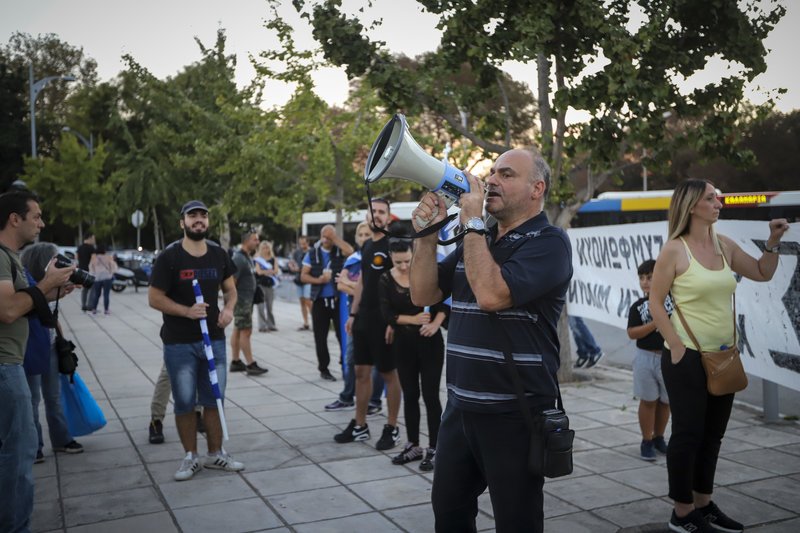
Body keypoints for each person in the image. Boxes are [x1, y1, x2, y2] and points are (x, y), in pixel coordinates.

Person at [409, 148, 572, 532]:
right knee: (448, 514)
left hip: (515, 414)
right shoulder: (480, 240)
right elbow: (423, 295)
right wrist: (426, 235)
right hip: (461, 408)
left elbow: (491, 295)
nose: (492, 180)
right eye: (492, 172)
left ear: (537, 188)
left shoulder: (549, 243)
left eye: (506, 174)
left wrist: (471, 223)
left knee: (517, 521)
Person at [649, 179, 789, 533]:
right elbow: (655, 301)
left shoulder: (724, 245)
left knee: (712, 436)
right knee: (688, 435)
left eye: (718, 197)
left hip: (722, 356)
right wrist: (677, 347)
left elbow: (760, 272)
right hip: (687, 357)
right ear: (692, 205)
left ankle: (703, 504)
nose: (719, 202)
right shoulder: (675, 250)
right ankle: (682, 514)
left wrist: (772, 243)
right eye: (711, 198)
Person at [148, 199, 245, 481]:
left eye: (203, 215)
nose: (198, 220)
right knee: (185, 402)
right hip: (179, 343)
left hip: (213, 339)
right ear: (183, 223)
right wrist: (187, 312)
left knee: (215, 399)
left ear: (208, 221)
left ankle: (216, 454)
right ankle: (190, 457)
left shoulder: (218, 254)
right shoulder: (171, 257)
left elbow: (231, 290)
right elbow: (154, 298)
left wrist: (228, 310)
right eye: (193, 216)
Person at [0, 190, 75, 532]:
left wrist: (50, 291)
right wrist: (45, 283)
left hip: (12, 364)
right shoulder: (0, 257)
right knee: (18, 454)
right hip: (5, 366)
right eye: (36, 217)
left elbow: (22, 302)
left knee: (20, 449)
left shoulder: (10, 257)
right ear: (14, 219)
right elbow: (9, 310)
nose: (42, 224)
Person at [335, 198, 403, 452]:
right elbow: (363, 280)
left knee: (388, 374)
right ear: (367, 214)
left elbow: (403, 281)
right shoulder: (365, 245)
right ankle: (359, 425)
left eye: (382, 212)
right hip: (363, 318)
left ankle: (392, 427)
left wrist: (394, 321)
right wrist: (353, 315)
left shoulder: (393, 245)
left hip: (385, 320)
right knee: (361, 373)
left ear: (388, 217)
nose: (377, 215)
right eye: (373, 211)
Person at [379, 238, 446, 471]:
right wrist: (414, 319)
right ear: (391, 258)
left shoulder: (428, 272)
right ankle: (413, 445)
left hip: (430, 342)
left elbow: (444, 303)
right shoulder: (386, 279)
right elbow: (387, 314)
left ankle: (436, 447)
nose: (404, 266)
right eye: (399, 263)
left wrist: (435, 324)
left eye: (408, 261)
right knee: (410, 394)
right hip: (403, 343)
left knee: (430, 396)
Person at [22, 243, 84, 463]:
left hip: (49, 347)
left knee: (54, 397)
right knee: (31, 400)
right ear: (43, 263)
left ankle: (61, 439)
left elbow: (50, 317)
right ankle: (34, 446)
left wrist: (61, 341)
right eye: (54, 260)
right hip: (29, 350)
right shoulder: (27, 287)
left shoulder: (46, 288)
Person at [325, 220, 385, 415]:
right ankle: (347, 396)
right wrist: (355, 287)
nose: (363, 238)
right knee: (352, 358)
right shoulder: (353, 259)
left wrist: (351, 285)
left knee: (378, 363)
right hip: (355, 313)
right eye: (360, 235)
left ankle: (374, 401)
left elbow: (374, 288)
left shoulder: (380, 255)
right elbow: (340, 285)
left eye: (367, 234)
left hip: (376, 314)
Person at [626, 259, 671, 462]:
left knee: (665, 401)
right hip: (645, 358)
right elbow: (632, 332)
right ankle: (646, 440)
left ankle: (659, 437)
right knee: (649, 400)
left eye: (650, 277)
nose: (645, 282)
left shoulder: (674, 302)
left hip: (669, 357)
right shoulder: (638, 306)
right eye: (642, 278)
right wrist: (656, 322)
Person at [301, 225, 354, 381]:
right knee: (320, 336)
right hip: (319, 301)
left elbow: (350, 251)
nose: (327, 239)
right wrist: (319, 280)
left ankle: (345, 363)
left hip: (338, 300)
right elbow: (303, 276)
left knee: (342, 334)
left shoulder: (339, 251)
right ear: (320, 236)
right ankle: (324, 368)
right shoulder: (313, 253)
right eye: (324, 235)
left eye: (330, 236)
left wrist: (335, 238)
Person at [229, 230, 268, 376]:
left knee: (238, 329)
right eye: (255, 240)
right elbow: (232, 281)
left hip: (246, 300)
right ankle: (250, 364)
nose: (257, 242)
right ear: (246, 241)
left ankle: (235, 361)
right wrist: (233, 301)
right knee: (246, 331)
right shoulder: (239, 258)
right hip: (242, 301)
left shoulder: (247, 257)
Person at [254, 241, 280, 333]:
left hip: (270, 285)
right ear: (261, 249)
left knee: (270, 306)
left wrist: (266, 271)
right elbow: (258, 272)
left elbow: (276, 270)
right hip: (260, 284)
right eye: (264, 248)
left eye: (267, 248)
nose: (266, 249)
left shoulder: (273, 259)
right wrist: (268, 271)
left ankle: (271, 325)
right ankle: (262, 326)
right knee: (260, 306)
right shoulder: (258, 259)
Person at [288, 236, 312, 331]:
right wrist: (292, 266)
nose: (302, 246)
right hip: (299, 279)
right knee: (302, 302)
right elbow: (292, 261)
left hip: (308, 279)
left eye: (304, 243)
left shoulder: (312, 252)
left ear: (308, 243)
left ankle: (315, 320)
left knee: (308, 301)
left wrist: (300, 269)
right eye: (300, 243)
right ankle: (305, 322)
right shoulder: (297, 252)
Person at [88, 243, 118, 315]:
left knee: (97, 294)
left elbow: (91, 267)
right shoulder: (108, 257)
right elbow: (113, 266)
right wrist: (111, 273)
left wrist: (93, 274)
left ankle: (94, 309)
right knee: (106, 294)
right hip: (107, 277)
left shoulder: (94, 258)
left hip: (97, 278)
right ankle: (106, 310)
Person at [76, 232, 95, 311]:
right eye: (93, 239)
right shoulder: (91, 248)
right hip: (89, 271)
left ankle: (83, 305)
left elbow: (76, 257)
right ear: (89, 238)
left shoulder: (80, 247)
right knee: (92, 288)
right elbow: (93, 260)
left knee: (84, 289)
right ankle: (90, 305)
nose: (94, 240)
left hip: (82, 271)